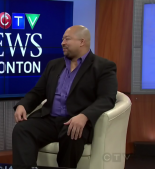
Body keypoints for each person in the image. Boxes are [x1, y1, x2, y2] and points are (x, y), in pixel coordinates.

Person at [12, 25, 118, 168]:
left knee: (72, 134)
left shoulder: (103, 66)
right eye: (62, 39)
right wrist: (23, 104)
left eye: (67, 39)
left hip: (76, 120)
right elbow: (38, 91)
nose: (62, 43)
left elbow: (107, 98)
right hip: (49, 119)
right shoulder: (54, 65)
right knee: (22, 129)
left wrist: (84, 116)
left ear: (82, 42)